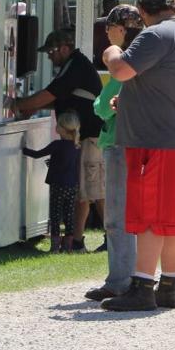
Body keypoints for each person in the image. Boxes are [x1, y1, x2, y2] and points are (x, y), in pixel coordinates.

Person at [100, 0, 175, 311]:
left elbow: (122, 69)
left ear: (143, 11)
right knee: (171, 217)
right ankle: (170, 285)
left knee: (147, 215)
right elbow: (161, 84)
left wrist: (112, 51)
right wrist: (129, 103)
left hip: (152, 140)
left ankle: (143, 285)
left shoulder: (155, 34)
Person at [11, 29, 105, 253]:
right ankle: (77, 241)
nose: (49, 56)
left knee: (96, 191)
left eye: (52, 51)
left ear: (65, 48)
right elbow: (60, 99)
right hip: (86, 137)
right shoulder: (70, 66)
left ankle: (112, 238)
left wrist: (20, 104)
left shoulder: (75, 65)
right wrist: (31, 107)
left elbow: (50, 94)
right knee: (84, 192)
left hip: (92, 137)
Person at [86, 4, 144, 301]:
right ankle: (131, 277)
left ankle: (119, 281)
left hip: (119, 143)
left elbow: (101, 107)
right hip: (135, 142)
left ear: (121, 29)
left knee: (116, 216)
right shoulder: (145, 57)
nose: (106, 33)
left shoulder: (122, 62)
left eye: (109, 27)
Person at [24, 112, 83, 253]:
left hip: (57, 184)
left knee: (55, 215)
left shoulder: (57, 144)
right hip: (72, 185)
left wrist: (22, 148)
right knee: (69, 215)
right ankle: (68, 246)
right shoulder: (76, 146)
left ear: (61, 129)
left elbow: (37, 154)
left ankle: (55, 247)